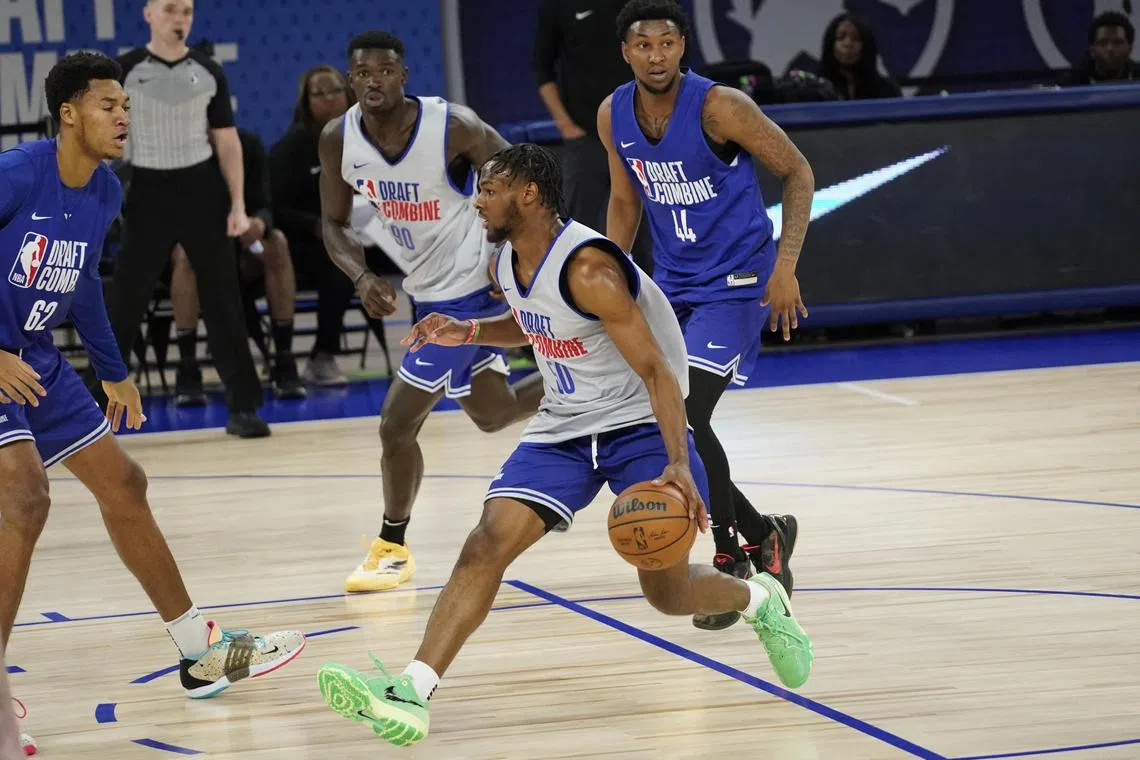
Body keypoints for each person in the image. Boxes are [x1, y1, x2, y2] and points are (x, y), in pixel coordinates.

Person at [315, 144, 813, 747]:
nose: (477, 199)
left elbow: (657, 370)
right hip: (565, 426)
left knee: (666, 592)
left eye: (490, 188)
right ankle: (412, 692)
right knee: (484, 544)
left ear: (529, 195)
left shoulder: (589, 269)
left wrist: (680, 460)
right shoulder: (505, 262)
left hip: (638, 426)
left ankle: (759, 599)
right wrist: (467, 329)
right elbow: (535, 320)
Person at [0, 52, 305, 752]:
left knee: (125, 484)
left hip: (36, 358)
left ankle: (199, 651)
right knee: (25, 494)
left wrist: (115, 371)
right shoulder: (19, 173)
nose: (123, 117)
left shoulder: (105, 190)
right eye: (109, 105)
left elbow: (79, 288)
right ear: (69, 112)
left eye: (126, 107)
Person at [599, 0, 811, 630]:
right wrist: (615, 279)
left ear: (682, 47)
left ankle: (732, 558)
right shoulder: (615, 113)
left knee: (687, 414)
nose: (657, 55)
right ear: (627, 52)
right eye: (644, 45)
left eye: (667, 43)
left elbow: (797, 172)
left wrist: (785, 266)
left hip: (739, 281)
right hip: (672, 284)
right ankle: (763, 532)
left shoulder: (721, 107)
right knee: (661, 415)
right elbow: (621, 199)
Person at [318, 31, 545, 594]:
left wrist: (507, 255)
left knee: (395, 424)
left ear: (404, 74)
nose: (374, 81)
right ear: (353, 80)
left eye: (385, 71)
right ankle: (592, 368)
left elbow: (522, 176)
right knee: (494, 415)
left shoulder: (454, 126)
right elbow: (334, 222)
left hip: (470, 290)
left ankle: (391, 548)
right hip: (425, 289)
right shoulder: (337, 139)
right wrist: (363, 274)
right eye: (363, 73)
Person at [96, 0, 269, 438]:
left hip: (201, 189)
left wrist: (237, 206)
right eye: (171, 9)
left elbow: (227, 141)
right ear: (149, 13)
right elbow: (103, 130)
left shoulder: (208, 69)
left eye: (187, 11)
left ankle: (243, 407)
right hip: (148, 189)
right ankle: (94, 410)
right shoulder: (126, 68)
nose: (180, 18)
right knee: (125, 300)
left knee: (224, 299)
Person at [271, 64, 389, 386]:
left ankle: (442, 343)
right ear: (305, 101)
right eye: (318, 94)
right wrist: (320, 226)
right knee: (340, 264)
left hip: (374, 235)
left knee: (423, 250)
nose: (328, 99)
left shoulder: (372, 139)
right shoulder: (289, 150)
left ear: (349, 93)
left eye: (335, 90)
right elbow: (278, 211)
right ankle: (322, 356)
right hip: (313, 242)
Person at [169, 125, 306, 402]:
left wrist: (259, 223)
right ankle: (188, 368)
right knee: (186, 252)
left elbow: (265, 203)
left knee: (277, 243)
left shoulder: (247, 143)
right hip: (192, 244)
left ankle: (283, 359)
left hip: (240, 244)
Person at [533, 0, 655, 274]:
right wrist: (566, 126)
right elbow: (542, 68)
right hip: (585, 140)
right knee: (575, 231)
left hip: (641, 137)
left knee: (646, 237)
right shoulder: (558, 7)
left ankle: (651, 306)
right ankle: (576, 304)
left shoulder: (642, 5)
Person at [817, 13, 902, 101]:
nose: (848, 44)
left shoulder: (887, 89)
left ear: (866, 46)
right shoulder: (816, 90)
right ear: (830, 45)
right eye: (841, 37)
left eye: (856, 38)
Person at [1061, 11, 1138, 86]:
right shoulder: (1068, 84)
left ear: (1130, 48)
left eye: (1117, 42)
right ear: (1092, 50)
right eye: (1103, 43)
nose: (1110, 49)